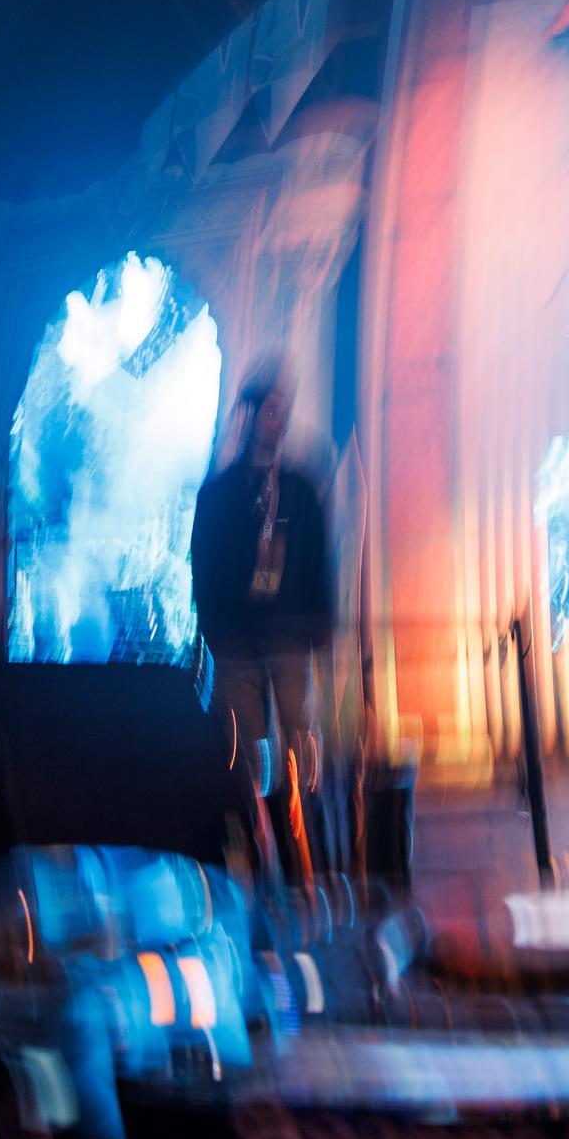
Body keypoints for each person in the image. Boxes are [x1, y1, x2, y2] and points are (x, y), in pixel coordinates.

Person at [190, 372, 333, 876]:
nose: (280, 420)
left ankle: (305, 861)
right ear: (249, 416)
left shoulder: (299, 489)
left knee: (300, 749)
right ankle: (259, 859)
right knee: (249, 758)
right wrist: (214, 629)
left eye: (283, 411)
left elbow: (319, 558)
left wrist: (321, 622)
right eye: (271, 410)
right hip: (237, 645)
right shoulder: (220, 494)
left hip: (288, 638)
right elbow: (203, 565)